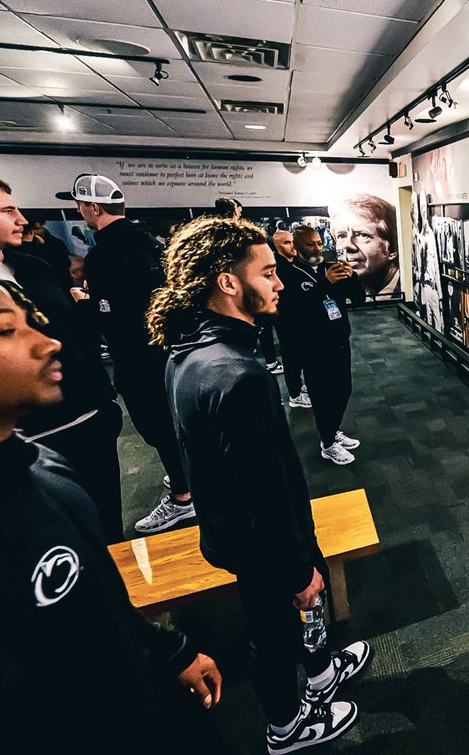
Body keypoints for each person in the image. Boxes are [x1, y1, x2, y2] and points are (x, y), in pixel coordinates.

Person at [0, 258, 222, 750]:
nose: (47, 341)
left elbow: (97, 597)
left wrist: (167, 650)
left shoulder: (41, 466)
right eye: (5, 330)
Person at [146, 216, 371, 753]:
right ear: (228, 281)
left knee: (295, 614)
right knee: (272, 633)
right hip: (263, 539)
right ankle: (286, 727)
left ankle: (318, 676)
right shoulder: (236, 374)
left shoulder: (189, 353)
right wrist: (295, 568)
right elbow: (260, 491)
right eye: (269, 271)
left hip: (247, 531)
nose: (280, 282)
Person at [0, 166, 125, 543]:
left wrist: (102, 401)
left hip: (88, 421)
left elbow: (71, 333)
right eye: (7, 211)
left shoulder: (33, 265)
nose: (22, 219)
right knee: (45, 547)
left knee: (107, 532)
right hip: (20, 442)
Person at [58, 173, 195, 534]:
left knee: (157, 427)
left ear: (92, 207)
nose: (80, 212)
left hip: (138, 358)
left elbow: (112, 318)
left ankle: (184, 498)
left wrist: (85, 304)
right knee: (175, 424)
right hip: (170, 351)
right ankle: (186, 480)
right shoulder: (150, 243)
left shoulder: (103, 254)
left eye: (80, 206)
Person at [290, 225, 366, 465]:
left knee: (343, 390)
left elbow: (359, 299)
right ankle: (328, 442)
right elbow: (295, 312)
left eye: (319, 243)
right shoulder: (288, 274)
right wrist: (324, 283)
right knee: (323, 396)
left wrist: (351, 277)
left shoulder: (328, 268)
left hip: (340, 341)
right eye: (311, 244)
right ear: (297, 246)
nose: (317, 248)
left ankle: (333, 431)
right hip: (312, 347)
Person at [270, 227, 311, 408]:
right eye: (287, 242)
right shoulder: (279, 269)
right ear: (278, 247)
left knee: (300, 356)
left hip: (301, 320)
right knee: (292, 357)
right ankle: (294, 395)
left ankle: (298, 388)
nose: (292, 245)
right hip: (287, 320)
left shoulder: (296, 263)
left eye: (292, 241)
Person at [329, 193, 400, 297]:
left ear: (392, 249)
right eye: (341, 236)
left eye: (362, 235)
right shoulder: (340, 289)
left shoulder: (409, 289)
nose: (347, 246)